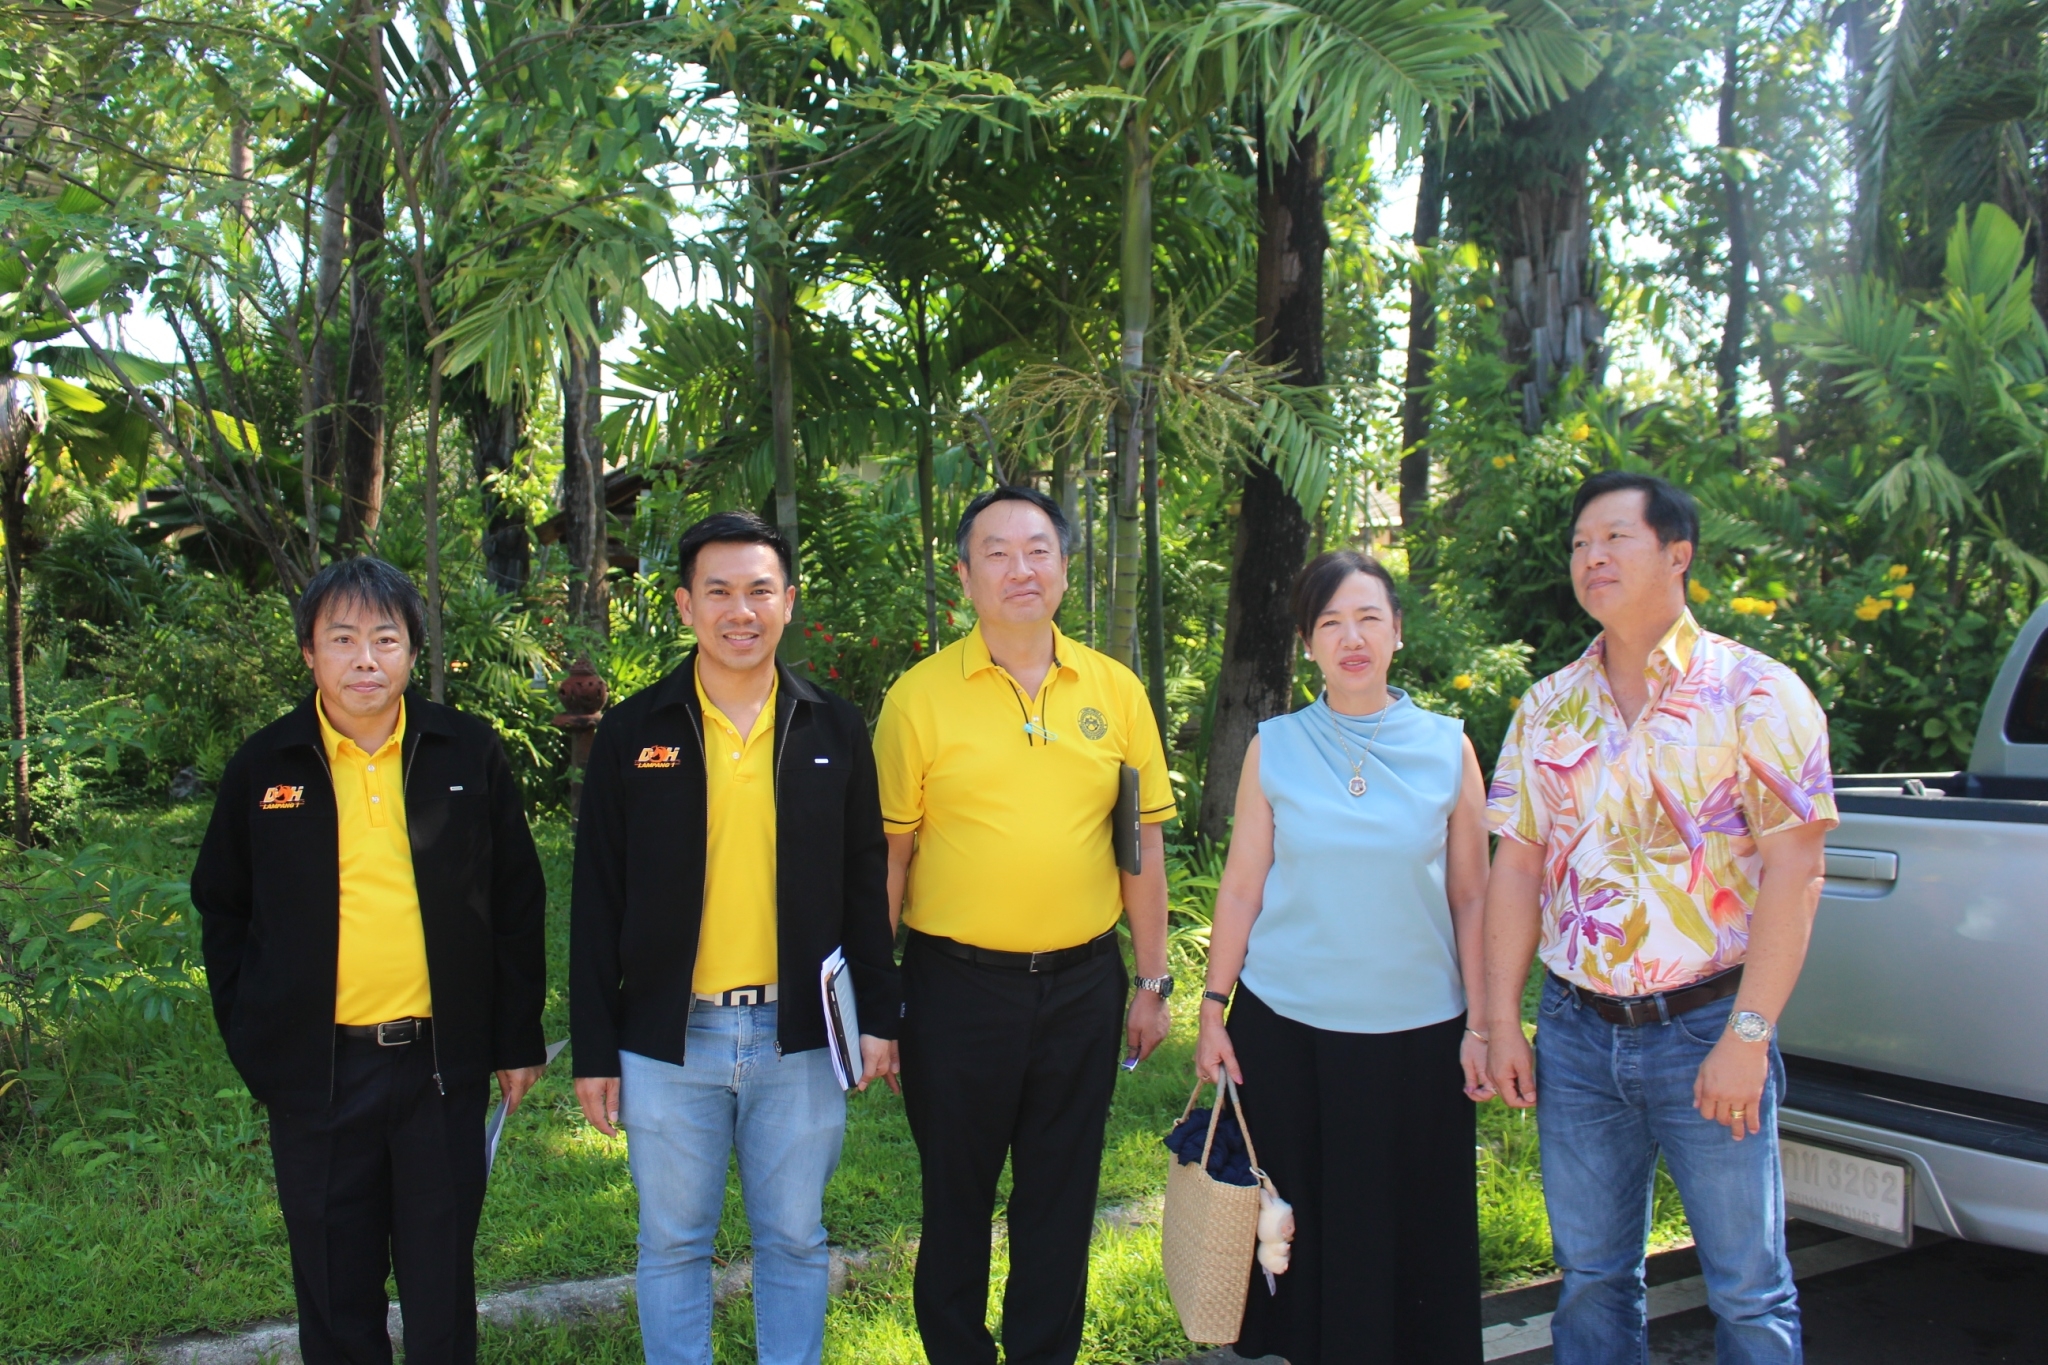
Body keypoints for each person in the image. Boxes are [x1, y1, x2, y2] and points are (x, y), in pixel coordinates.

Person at [1482, 471, 1836, 1365]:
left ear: (1678, 554)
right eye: (1579, 543)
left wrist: (1749, 1035)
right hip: (1576, 1033)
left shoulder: (1757, 693)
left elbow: (1797, 871)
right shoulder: (1547, 707)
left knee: (1748, 1288)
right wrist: (1499, 1023)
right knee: (1592, 1277)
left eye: (1615, 538)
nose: (1591, 557)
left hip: (1711, 1025)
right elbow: (1516, 869)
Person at [191, 557, 548, 1365]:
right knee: (333, 1291)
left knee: (441, 1288)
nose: (365, 659)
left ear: (413, 651)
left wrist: (515, 1037)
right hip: (317, 1077)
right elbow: (223, 904)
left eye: (385, 639)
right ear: (309, 653)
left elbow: (517, 901)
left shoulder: (467, 752)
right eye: (342, 639)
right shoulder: (266, 766)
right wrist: (258, 1038)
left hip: (438, 1070)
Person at [569, 510, 901, 1365]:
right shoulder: (635, 731)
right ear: (685, 605)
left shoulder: (832, 726)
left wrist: (879, 1017)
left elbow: (865, 882)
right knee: (672, 1242)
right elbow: (596, 899)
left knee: (794, 1237)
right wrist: (595, 1049)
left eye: (759, 590)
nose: (740, 610)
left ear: (789, 601)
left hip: (800, 1034)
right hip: (669, 1036)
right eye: (718, 591)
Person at [874, 485, 1176, 1365]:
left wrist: (1153, 979)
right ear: (964, 576)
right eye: (997, 553)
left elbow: (1141, 847)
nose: (1021, 569)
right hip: (954, 989)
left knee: (1061, 1198)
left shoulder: (1116, 692)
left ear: (1066, 569)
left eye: (1038, 549)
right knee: (956, 1199)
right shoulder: (919, 698)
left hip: (1083, 986)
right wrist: (879, 1002)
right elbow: (890, 860)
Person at [1194, 550, 1494, 1365]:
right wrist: (1213, 1007)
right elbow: (1241, 888)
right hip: (1288, 1034)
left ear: (1397, 631)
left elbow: (1473, 897)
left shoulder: (1448, 747)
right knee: (1306, 1240)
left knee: (1409, 1244)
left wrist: (1484, 1023)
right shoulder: (1276, 745)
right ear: (1308, 643)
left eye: (1368, 618)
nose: (1351, 638)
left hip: (1419, 1039)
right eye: (1330, 622)